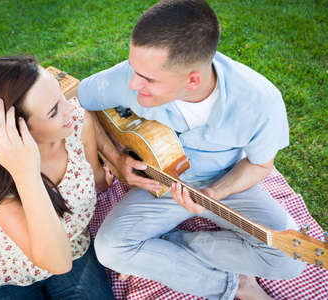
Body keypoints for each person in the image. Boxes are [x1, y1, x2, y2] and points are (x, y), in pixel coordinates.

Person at [76, 1, 306, 299]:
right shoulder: (127, 78)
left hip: (224, 180)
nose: (133, 83)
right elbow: (77, 98)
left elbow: (260, 165)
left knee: (290, 258)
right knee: (109, 248)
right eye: (133, 68)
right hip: (159, 183)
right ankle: (231, 286)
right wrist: (116, 158)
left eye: (147, 79)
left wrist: (215, 194)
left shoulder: (260, 101)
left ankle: (173, 244)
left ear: (192, 80)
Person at [0, 55, 115, 299]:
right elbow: (55, 261)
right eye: (53, 110)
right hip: (10, 273)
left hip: (73, 249)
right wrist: (26, 172)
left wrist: (118, 164)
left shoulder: (76, 123)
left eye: (61, 94)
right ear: (18, 131)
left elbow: (96, 179)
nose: (70, 106)